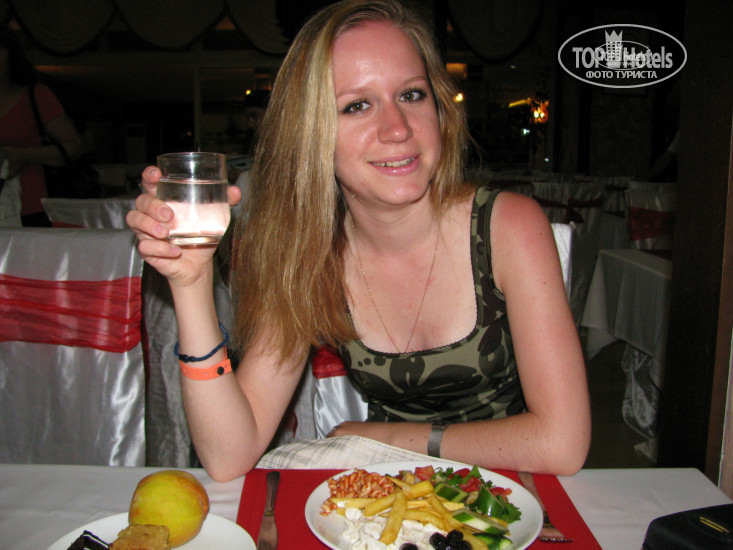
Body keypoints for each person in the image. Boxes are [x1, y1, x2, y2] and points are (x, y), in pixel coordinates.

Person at [128, 0, 590, 482]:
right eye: (357, 105)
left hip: (516, 493)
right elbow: (228, 455)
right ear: (311, 136)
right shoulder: (312, 255)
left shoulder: (507, 227)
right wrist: (191, 284)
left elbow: (561, 443)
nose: (398, 129)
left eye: (411, 94)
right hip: (390, 502)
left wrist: (383, 438)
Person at [0, 27, 84, 226]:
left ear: (10, 55)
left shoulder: (35, 96)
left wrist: (21, 155)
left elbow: (73, 147)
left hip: (31, 209)